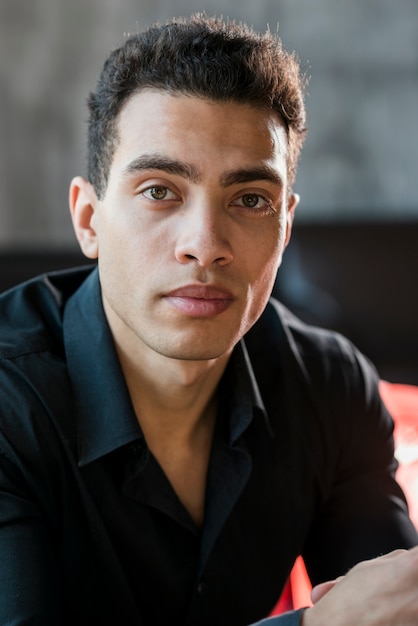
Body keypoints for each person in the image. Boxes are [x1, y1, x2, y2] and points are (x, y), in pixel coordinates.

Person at [0, 13, 417, 626]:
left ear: (286, 227)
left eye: (250, 200)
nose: (205, 244)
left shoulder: (330, 386)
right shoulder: (10, 403)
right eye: (159, 190)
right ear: (89, 220)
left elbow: (394, 608)